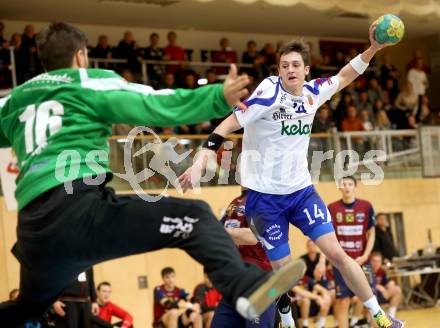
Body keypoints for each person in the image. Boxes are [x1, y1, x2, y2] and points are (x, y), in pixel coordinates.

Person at [0, 22, 304, 326]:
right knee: (196, 216)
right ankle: (246, 287)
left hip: (33, 231)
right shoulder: (86, 83)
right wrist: (215, 97)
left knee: (26, 307)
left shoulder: (15, 99)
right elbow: (152, 103)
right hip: (79, 210)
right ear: (81, 57)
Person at [179, 23, 403, 328]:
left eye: (296, 65)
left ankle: (379, 315)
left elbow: (346, 74)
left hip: (301, 192)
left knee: (336, 252)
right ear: (279, 70)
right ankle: (285, 316)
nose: (290, 70)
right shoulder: (267, 95)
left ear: (306, 69)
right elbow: (226, 125)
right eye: (284, 66)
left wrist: (374, 48)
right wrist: (203, 157)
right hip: (264, 200)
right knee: (283, 268)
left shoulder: (313, 93)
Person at [211, 188, 282, 328]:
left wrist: (219, 231)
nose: (238, 166)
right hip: (235, 284)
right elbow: (215, 233)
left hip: (259, 284)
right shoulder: (234, 203)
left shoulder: (264, 200)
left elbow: (253, 236)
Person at [327, 176, 376, 328]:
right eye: (344, 184)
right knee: (343, 301)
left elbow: (371, 233)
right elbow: (326, 236)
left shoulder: (366, 206)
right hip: (340, 263)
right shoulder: (332, 208)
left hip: (363, 261)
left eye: (350, 184)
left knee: (371, 300)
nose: (347, 187)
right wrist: (325, 260)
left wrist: (366, 256)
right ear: (339, 188)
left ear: (355, 187)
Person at [371, 252, 402, 319]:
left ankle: (391, 317)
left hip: (382, 295)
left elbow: (386, 282)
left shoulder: (381, 271)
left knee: (397, 289)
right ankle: (375, 320)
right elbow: (366, 285)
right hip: (371, 296)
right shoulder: (367, 270)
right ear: (370, 261)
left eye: (378, 261)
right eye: (374, 261)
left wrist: (391, 283)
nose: (376, 263)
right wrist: (378, 286)